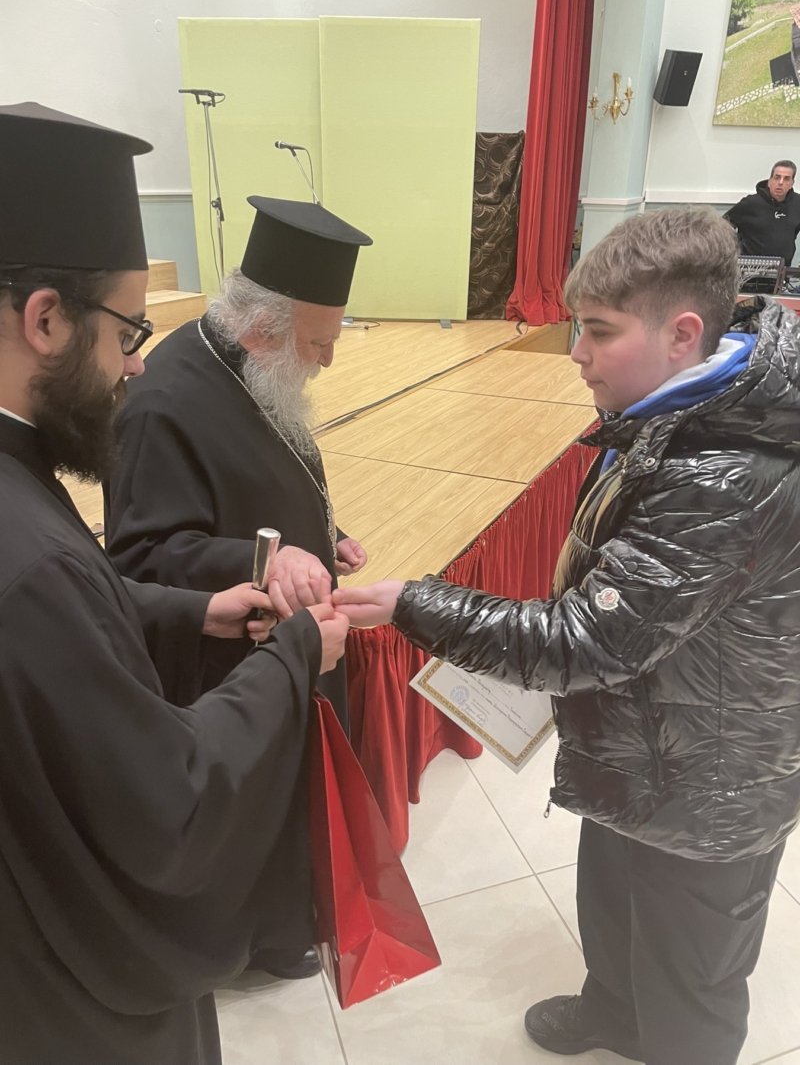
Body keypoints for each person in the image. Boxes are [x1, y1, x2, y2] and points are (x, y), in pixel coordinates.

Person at [334, 207, 800, 1065]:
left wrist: (411, 603)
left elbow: (584, 641)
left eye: (599, 331)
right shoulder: (679, 413)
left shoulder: (724, 473)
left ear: (683, 334)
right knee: (614, 904)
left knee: (690, 977)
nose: (576, 352)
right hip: (648, 745)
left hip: (710, 780)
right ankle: (616, 1013)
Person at [0, 101, 348, 1065]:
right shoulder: (36, 553)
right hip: (69, 1000)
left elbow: (73, 623)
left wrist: (201, 606)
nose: (134, 363)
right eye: (126, 329)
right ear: (45, 319)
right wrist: (293, 652)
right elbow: (170, 802)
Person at [104, 196, 371, 980]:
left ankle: (293, 921)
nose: (327, 360)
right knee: (257, 813)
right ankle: (258, 940)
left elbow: (270, 472)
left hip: (294, 640)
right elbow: (141, 555)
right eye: (319, 343)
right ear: (262, 329)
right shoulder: (161, 404)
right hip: (230, 669)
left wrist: (326, 532)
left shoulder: (255, 369)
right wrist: (267, 560)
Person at [724, 159, 800, 265]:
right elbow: (723, 225)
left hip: (783, 269)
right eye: (777, 177)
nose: (780, 183)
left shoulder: (797, 204)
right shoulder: (750, 203)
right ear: (769, 181)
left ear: (792, 183)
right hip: (749, 269)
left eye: (786, 179)